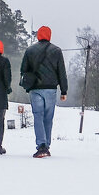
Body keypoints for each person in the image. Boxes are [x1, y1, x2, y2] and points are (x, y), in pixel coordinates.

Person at [19, 26, 67, 158]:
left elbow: (23, 70)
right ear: (49, 35)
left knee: (38, 116)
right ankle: (47, 145)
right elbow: (61, 71)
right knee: (48, 118)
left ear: (38, 35)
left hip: (35, 89)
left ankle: (41, 145)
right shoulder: (56, 51)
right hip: (51, 89)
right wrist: (64, 90)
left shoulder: (30, 50)